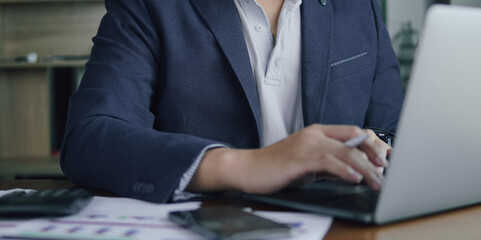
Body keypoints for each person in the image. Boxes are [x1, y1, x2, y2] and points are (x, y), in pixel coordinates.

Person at [61, 0, 404, 203]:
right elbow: (89, 137)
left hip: (341, 227)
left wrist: (376, 149)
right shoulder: (151, 6)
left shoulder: (359, 6)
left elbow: (395, 130)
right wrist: (243, 165)